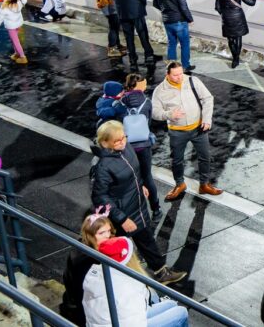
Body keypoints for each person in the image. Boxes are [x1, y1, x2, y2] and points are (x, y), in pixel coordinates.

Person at [89, 121, 187, 285]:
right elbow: (100, 198)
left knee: (147, 240)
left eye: (123, 138)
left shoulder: (125, 149)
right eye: (117, 141)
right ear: (105, 143)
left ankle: (161, 272)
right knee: (117, 250)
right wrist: (122, 219)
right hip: (122, 215)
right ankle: (106, 280)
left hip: (137, 206)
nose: (122, 142)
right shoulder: (102, 167)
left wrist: (139, 185)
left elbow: (133, 171)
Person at [83, 235, 190, 327]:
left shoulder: (95, 272)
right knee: (181, 312)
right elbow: (138, 313)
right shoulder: (127, 284)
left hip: (110, 322)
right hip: (125, 323)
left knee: (171, 304)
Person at [151, 62, 222, 199]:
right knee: (177, 160)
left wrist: (207, 119)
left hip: (198, 128)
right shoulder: (160, 91)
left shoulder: (192, 81)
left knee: (205, 157)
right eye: (175, 75)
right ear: (168, 75)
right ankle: (179, 184)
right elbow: (154, 112)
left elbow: (208, 98)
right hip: (177, 131)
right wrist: (169, 115)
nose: (180, 77)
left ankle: (204, 184)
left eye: (181, 73)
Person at [59, 210, 113, 325]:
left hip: (78, 306)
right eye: (101, 233)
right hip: (81, 312)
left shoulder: (84, 247)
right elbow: (84, 293)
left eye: (108, 231)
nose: (107, 236)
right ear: (90, 235)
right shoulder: (87, 260)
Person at [107, 0, 157, 70]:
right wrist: (142, 4)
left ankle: (132, 60)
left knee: (128, 37)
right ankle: (148, 56)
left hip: (122, 12)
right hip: (136, 11)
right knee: (143, 34)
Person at [118, 73, 159, 210]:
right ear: (139, 85)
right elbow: (149, 122)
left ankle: (133, 209)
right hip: (143, 145)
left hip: (126, 146)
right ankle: (156, 208)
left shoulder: (121, 102)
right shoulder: (147, 102)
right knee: (147, 177)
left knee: (129, 178)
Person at [153, 0, 194, 72]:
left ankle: (172, 65)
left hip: (167, 21)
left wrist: (166, 11)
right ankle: (185, 66)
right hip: (179, 22)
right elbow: (183, 7)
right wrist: (190, 19)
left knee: (172, 43)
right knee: (184, 44)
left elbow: (155, 4)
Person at [215, 0, 259, 69]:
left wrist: (225, 14)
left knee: (230, 39)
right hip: (238, 18)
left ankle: (235, 59)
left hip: (226, 18)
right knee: (238, 38)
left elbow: (217, 7)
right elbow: (251, 3)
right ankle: (236, 59)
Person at [0, 0, 28, 65]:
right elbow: (25, 0)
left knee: (15, 41)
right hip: (18, 24)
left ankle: (23, 57)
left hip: (11, 27)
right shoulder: (19, 3)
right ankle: (16, 53)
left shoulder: (4, 8)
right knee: (14, 40)